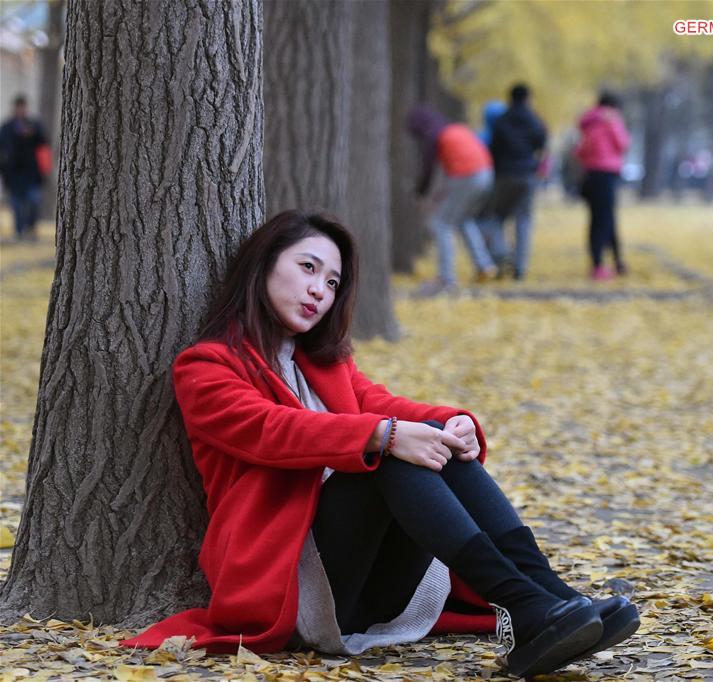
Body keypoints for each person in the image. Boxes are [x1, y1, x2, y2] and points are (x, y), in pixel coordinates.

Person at [121, 211, 640, 677]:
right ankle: (523, 605)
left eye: (331, 281)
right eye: (306, 268)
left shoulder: (324, 363)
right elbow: (270, 429)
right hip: (288, 582)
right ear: (262, 265)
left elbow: (382, 402)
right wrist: (383, 434)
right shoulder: (207, 366)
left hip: (368, 579)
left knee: (432, 446)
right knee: (390, 454)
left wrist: (451, 422)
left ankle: (551, 596)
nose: (319, 290)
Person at [406, 105, 497, 293]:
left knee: (441, 224)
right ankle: (484, 266)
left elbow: (428, 170)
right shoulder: (455, 129)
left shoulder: (433, 136)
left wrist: (420, 193)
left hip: (467, 176)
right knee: (463, 220)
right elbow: (456, 165)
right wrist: (443, 193)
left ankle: (446, 278)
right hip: (485, 174)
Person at [478, 83, 548, 281]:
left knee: (495, 217)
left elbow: (493, 148)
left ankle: (501, 254)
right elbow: (542, 143)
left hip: (504, 176)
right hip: (526, 175)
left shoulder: (501, 121)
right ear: (527, 98)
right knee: (523, 221)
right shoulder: (534, 120)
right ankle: (520, 267)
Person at [576, 91, 631, 281]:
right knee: (605, 220)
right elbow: (623, 144)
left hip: (591, 175)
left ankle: (615, 261)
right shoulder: (611, 121)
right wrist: (614, 124)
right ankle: (599, 266)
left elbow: (580, 151)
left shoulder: (589, 125)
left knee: (601, 219)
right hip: (606, 175)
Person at [0, 95, 48, 241]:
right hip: (13, 173)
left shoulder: (33, 124)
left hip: (32, 172)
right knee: (17, 204)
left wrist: (32, 133)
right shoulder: (7, 127)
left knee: (34, 201)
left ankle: (31, 228)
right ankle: (19, 232)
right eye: (18, 107)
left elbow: (44, 142)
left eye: (23, 107)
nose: (21, 110)